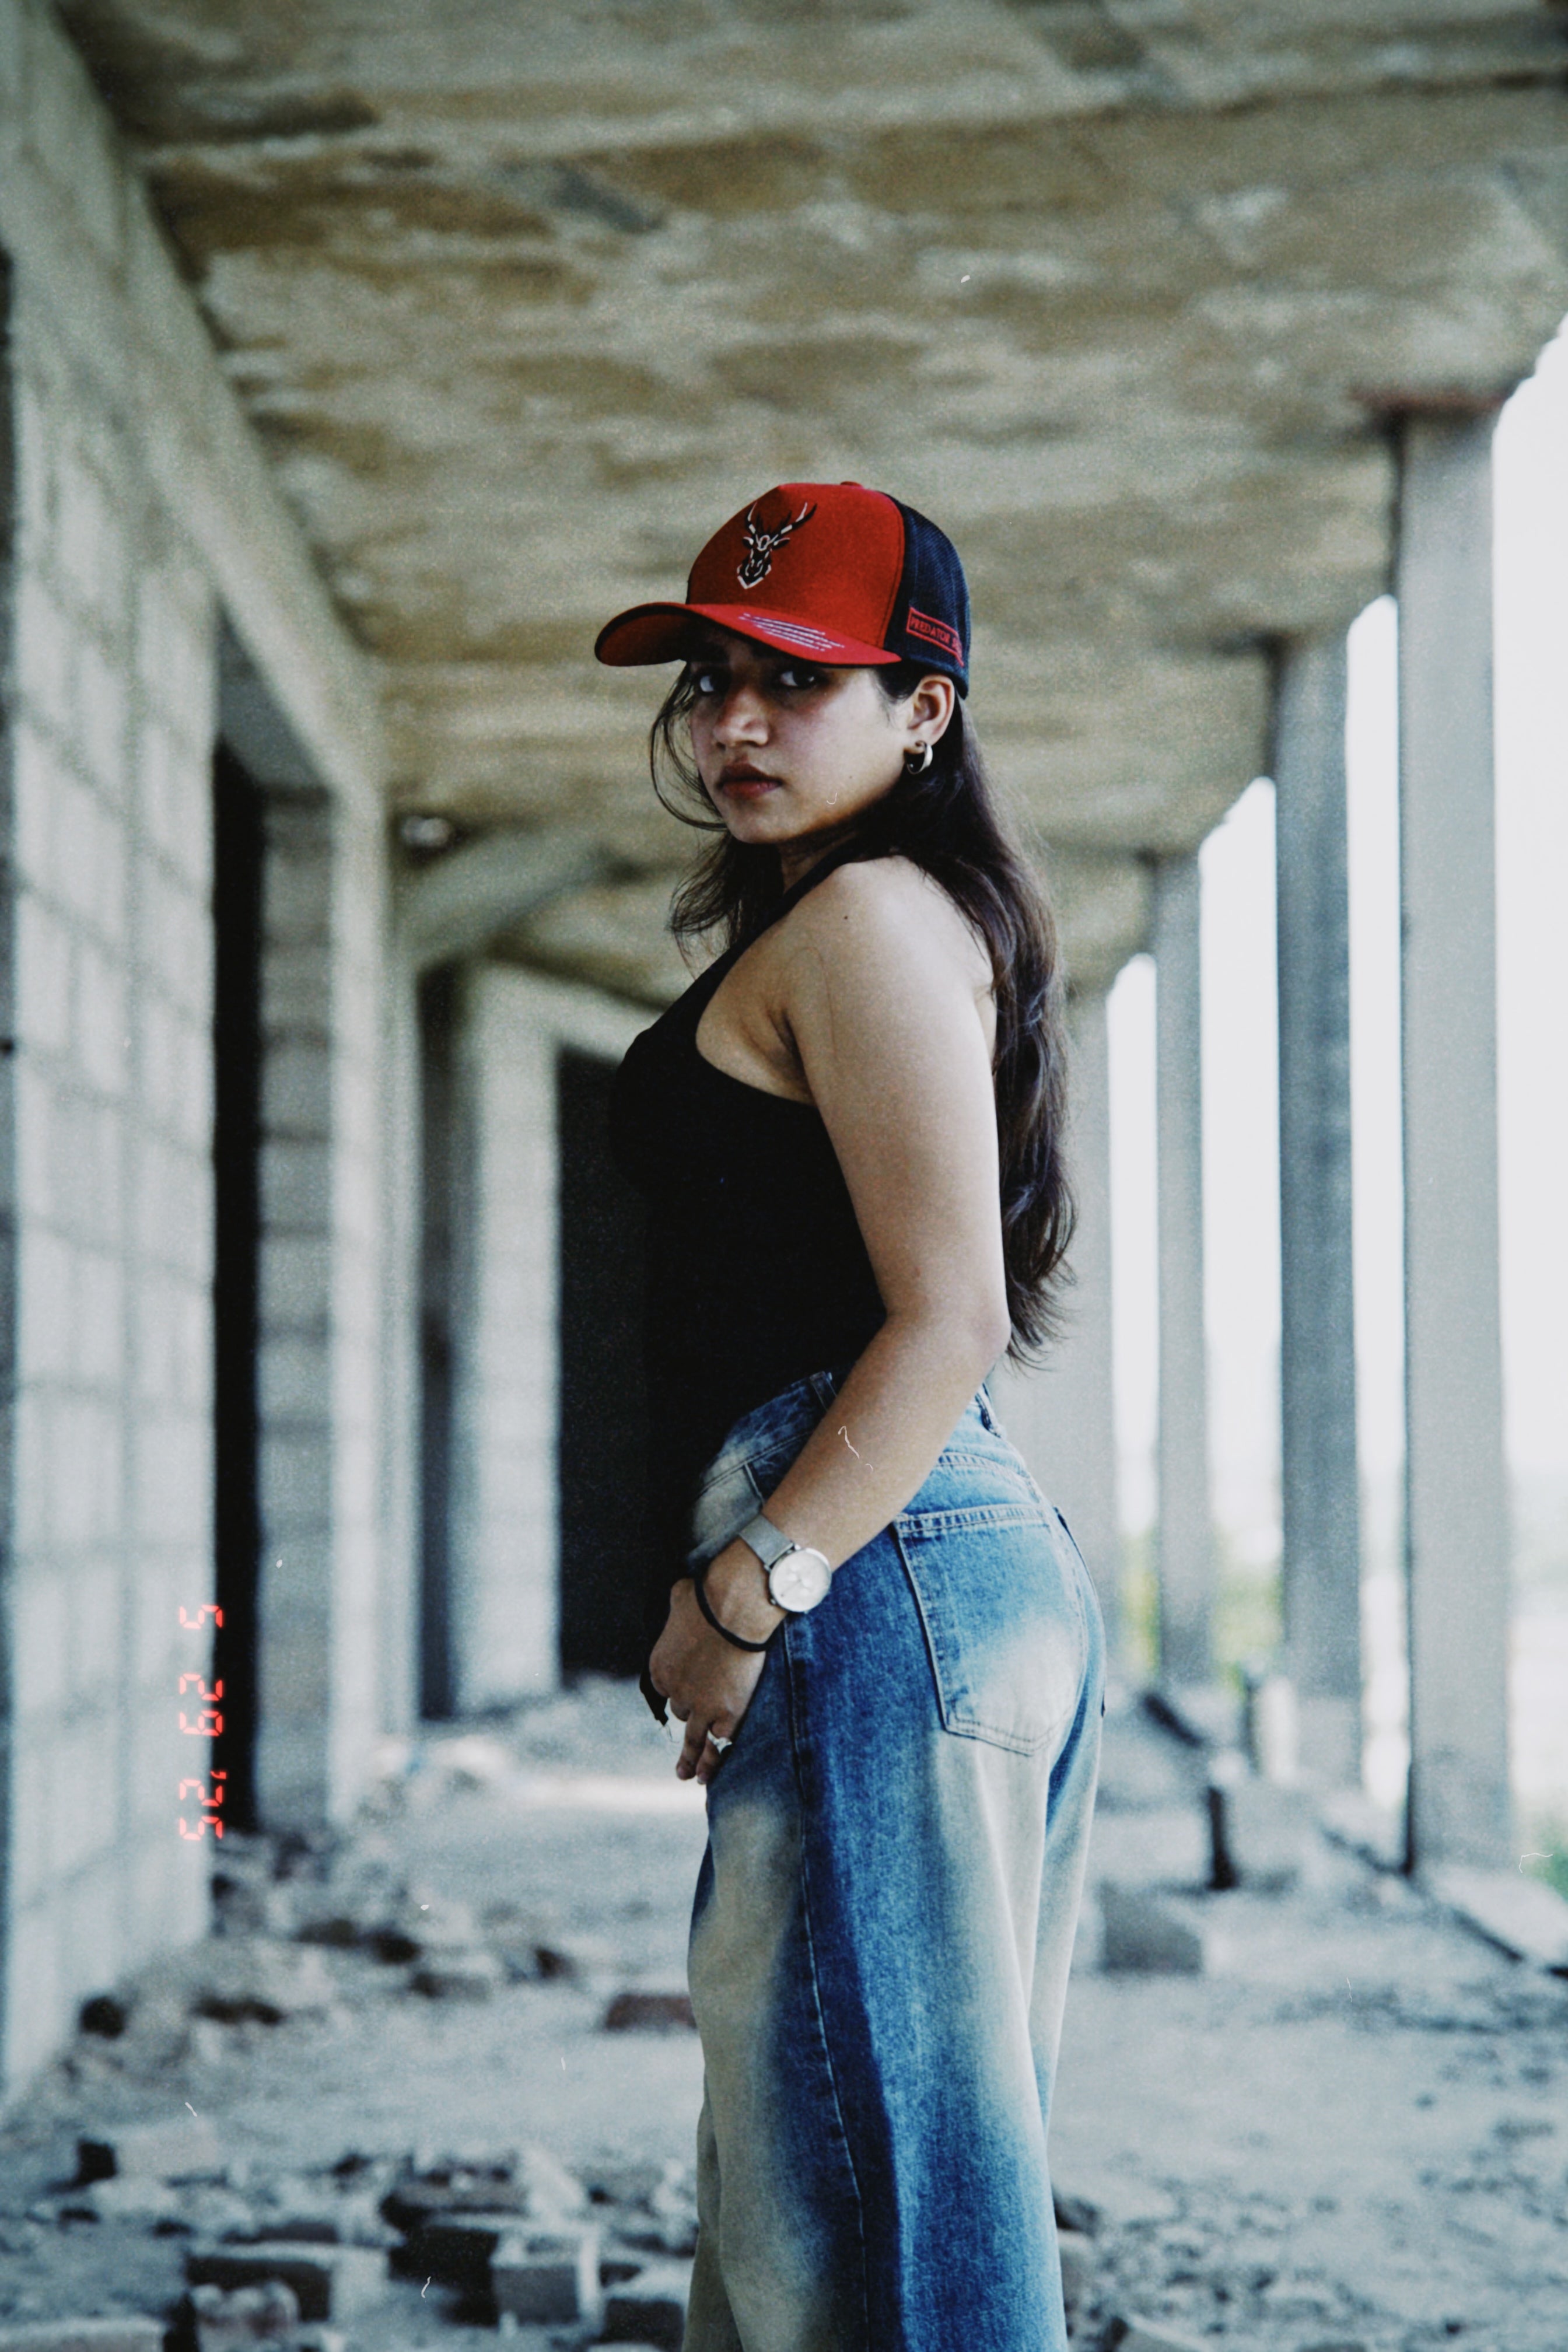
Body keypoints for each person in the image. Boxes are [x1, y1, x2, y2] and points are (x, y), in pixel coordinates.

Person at [597, 482, 1104, 2352]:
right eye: (716, 680)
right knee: (836, 2200)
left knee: (872, 2232)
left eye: (796, 682)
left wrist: (748, 1590)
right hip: (910, 1567)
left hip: (870, 1565)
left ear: (924, 710)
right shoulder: (861, 920)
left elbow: (947, 1313)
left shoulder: (879, 919)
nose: (734, 723)